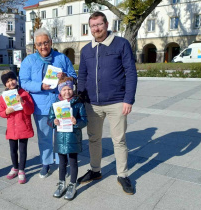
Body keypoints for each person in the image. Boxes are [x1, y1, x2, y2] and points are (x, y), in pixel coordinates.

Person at [77, 11, 138, 195]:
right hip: (92, 104)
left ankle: (123, 175)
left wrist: (128, 99)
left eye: (99, 24)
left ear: (106, 24)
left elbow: (131, 73)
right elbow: (82, 76)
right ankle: (95, 170)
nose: (96, 28)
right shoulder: (86, 50)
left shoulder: (121, 44)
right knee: (94, 138)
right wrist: (80, 97)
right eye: (93, 25)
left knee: (119, 140)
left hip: (116, 102)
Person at [19, 28, 77, 178]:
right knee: (44, 136)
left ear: (51, 42)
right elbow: (23, 82)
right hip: (40, 105)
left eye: (45, 42)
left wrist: (65, 76)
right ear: (35, 46)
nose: (43, 46)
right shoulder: (29, 60)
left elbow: (73, 76)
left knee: (61, 134)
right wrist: (40, 86)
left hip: (61, 103)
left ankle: (60, 161)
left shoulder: (61, 58)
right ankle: (46, 163)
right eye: (39, 44)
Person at [48, 77, 87, 200]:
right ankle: (61, 184)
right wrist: (53, 122)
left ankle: (72, 184)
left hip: (73, 138)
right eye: (64, 89)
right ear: (59, 91)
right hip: (60, 137)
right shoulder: (55, 105)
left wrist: (76, 122)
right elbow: (49, 119)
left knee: (73, 162)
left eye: (69, 89)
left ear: (73, 89)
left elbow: (84, 120)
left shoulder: (78, 104)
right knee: (62, 162)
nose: (67, 92)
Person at [0, 70, 35, 184]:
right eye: (7, 81)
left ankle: (21, 170)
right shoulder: (3, 96)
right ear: (5, 84)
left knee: (22, 150)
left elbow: (30, 110)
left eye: (12, 79)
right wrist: (6, 112)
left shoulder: (24, 93)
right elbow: (1, 112)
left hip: (23, 126)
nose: (11, 83)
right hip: (12, 128)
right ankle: (14, 167)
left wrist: (23, 102)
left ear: (16, 79)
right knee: (13, 150)